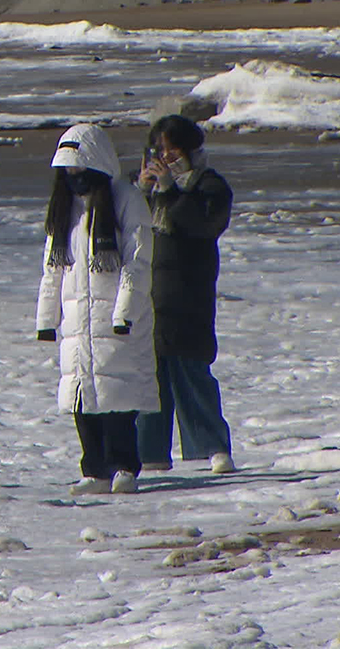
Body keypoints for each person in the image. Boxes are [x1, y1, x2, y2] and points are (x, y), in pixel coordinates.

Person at [35, 124, 157, 495]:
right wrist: (46, 318)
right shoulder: (65, 210)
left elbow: (137, 262)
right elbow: (53, 268)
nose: (74, 179)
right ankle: (94, 469)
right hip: (77, 323)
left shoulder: (125, 200)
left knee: (117, 395)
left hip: (116, 321)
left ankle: (124, 466)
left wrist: (125, 313)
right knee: (81, 397)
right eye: (67, 173)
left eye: (79, 170)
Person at [135, 115, 236, 474]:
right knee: (149, 381)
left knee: (192, 373)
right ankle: (149, 454)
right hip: (149, 296)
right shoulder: (144, 192)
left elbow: (203, 226)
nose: (165, 159)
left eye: (172, 151)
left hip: (189, 295)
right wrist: (142, 192)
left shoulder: (209, 186)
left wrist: (170, 192)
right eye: (158, 151)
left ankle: (212, 448)